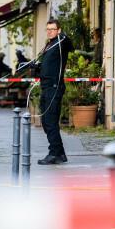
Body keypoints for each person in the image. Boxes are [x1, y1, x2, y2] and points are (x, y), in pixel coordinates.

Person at [37, 19, 73, 165]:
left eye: (52, 29)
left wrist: (62, 35)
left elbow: (69, 45)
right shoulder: (49, 45)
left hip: (54, 86)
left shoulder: (61, 42)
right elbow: (49, 64)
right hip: (45, 86)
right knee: (46, 122)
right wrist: (37, 66)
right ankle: (60, 153)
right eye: (47, 29)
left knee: (50, 121)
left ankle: (54, 153)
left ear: (58, 30)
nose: (49, 31)